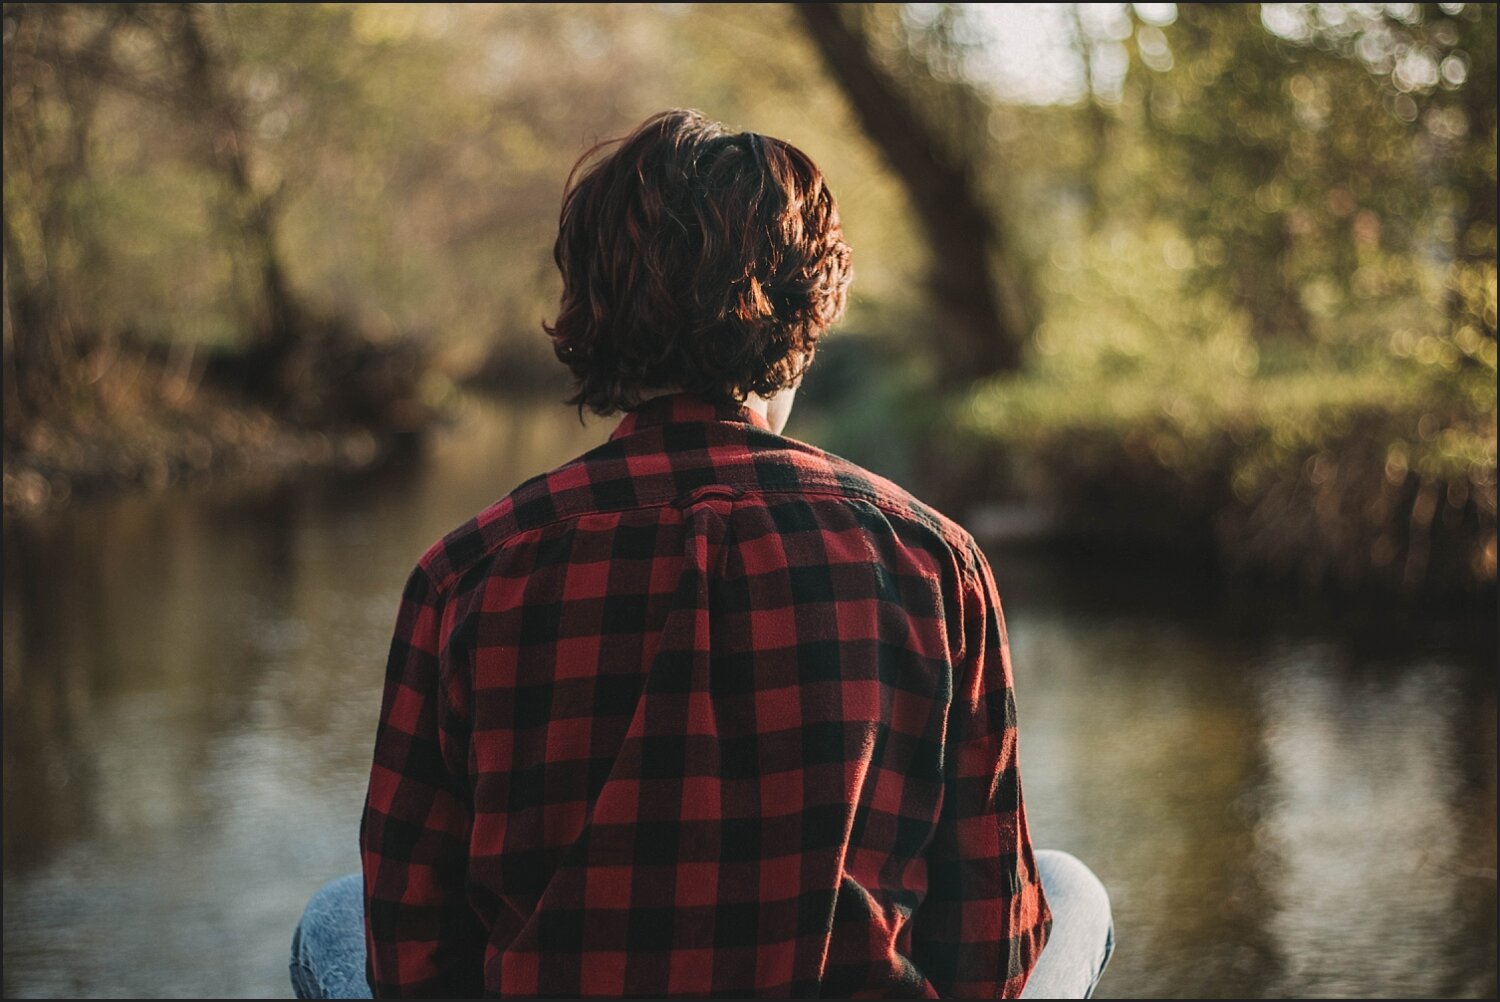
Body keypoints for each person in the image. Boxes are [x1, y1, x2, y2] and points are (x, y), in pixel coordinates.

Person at [291, 108, 1112, 999]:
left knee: (337, 914)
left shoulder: (464, 576)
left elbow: (410, 957)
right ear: (808, 315)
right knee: (1070, 890)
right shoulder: (935, 563)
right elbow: (989, 951)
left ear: (590, 306)